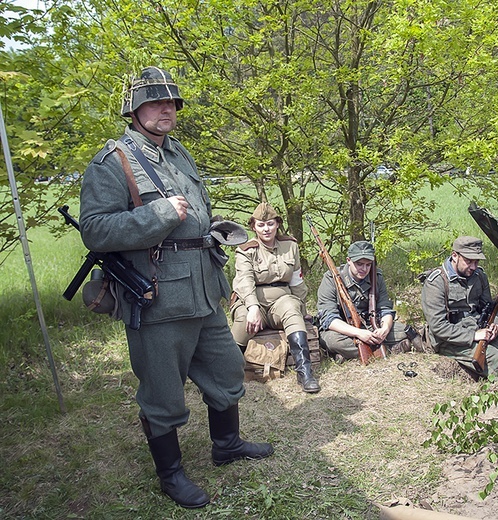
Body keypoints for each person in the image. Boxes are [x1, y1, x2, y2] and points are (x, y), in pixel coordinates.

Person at [78, 67, 273, 509]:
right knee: (163, 392)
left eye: (172, 103)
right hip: (158, 296)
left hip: (204, 287)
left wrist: (214, 229)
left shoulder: (178, 152)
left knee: (225, 371)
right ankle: (171, 475)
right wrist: (159, 215)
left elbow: (195, 208)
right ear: (134, 111)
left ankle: (226, 445)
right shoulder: (114, 162)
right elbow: (95, 230)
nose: (166, 109)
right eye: (155, 102)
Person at [230, 202, 320, 393]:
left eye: (270, 224)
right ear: (253, 226)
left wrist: (301, 309)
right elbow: (245, 282)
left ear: (278, 224)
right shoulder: (246, 251)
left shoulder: (290, 246)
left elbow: (296, 280)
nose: (266, 229)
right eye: (261, 225)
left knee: (292, 308)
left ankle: (304, 372)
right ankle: (226, 373)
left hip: (281, 300)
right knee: (243, 320)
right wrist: (253, 308)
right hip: (253, 301)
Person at [421, 236, 498, 380]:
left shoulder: (479, 276)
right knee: (495, 359)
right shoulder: (436, 282)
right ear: (454, 256)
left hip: (478, 329)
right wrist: (474, 336)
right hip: (449, 339)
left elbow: (489, 308)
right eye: (468, 261)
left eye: (476, 261)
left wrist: (496, 325)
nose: (473, 266)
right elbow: (438, 327)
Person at [316, 240, 422, 361]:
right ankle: (388, 349)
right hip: (342, 330)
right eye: (359, 264)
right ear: (348, 260)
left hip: (369, 327)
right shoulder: (331, 278)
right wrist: (358, 333)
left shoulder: (376, 277)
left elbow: (385, 308)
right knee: (334, 342)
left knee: (404, 331)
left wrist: (384, 329)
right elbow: (329, 319)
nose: (364, 269)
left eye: (368, 264)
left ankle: (348, 354)